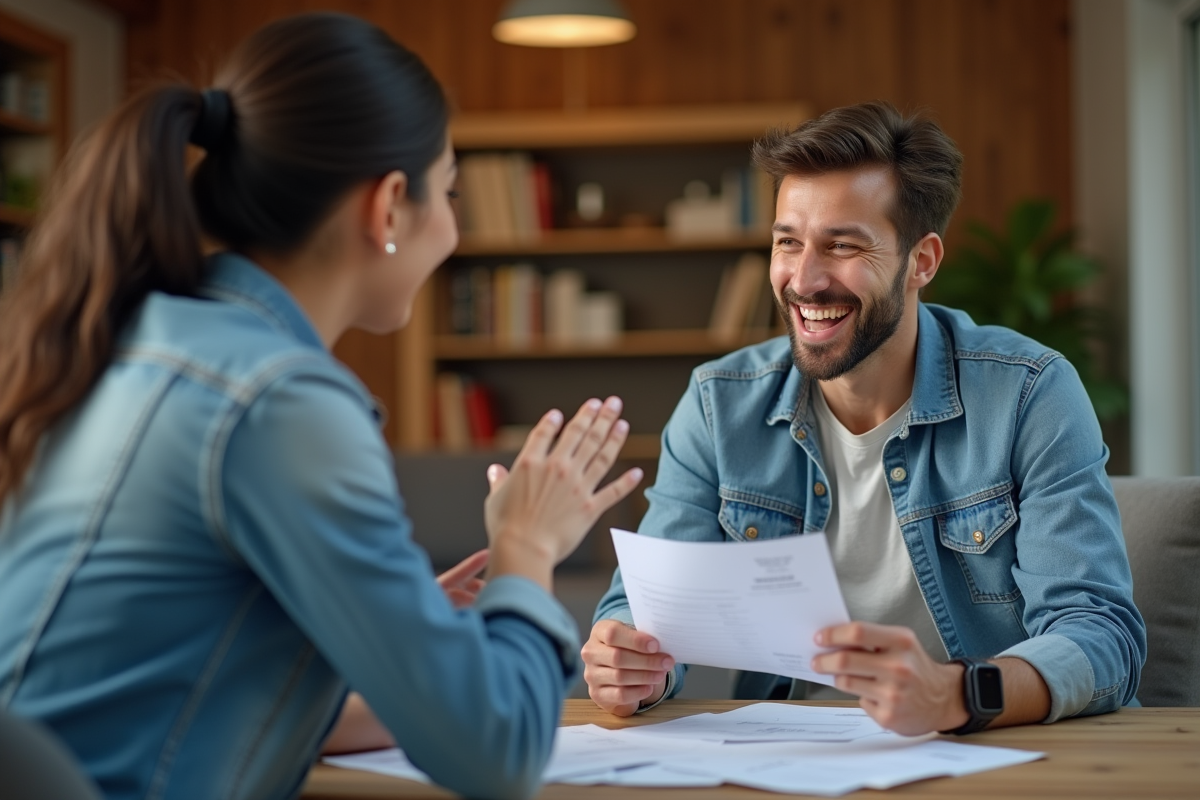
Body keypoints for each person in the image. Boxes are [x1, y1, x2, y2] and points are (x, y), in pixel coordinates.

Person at [0, 13, 643, 800]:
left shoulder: (137, 337)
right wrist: (526, 546)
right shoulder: (282, 402)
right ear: (389, 207)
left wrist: (388, 642)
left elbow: (184, 682)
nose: (452, 229)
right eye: (448, 193)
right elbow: (497, 753)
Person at [584, 101, 1146, 736]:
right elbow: (649, 607)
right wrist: (630, 661)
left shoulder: (1029, 394)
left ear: (922, 261)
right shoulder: (719, 405)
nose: (804, 280)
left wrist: (957, 694)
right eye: (788, 242)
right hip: (788, 755)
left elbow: (1101, 637)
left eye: (842, 246)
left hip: (986, 748)